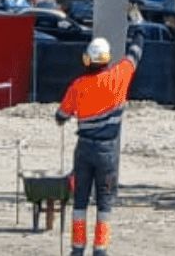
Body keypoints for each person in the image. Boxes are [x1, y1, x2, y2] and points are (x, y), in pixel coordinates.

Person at [55, 30, 146, 256]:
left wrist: (66, 116)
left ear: (87, 59)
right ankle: (100, 249)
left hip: (84, 148)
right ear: (106, 59)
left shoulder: (78, 85)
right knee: (104, 204)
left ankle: (77, 249)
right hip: (108, 152)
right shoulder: (120, 75)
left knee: (80, 202)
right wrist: (139, 29)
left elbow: (61, 116)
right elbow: (135, 53)